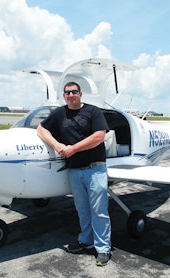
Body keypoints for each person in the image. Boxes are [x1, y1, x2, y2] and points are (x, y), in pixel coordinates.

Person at [37, 81, 112, 266]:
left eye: (74, 92)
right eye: (67, 93)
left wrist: (73, 149)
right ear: (64, 96)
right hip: (75, 171)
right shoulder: (59, 113)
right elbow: (41, 129)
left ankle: (103, 249)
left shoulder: (93, 112)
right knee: (83, 210)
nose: (71, 95)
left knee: (99, 211)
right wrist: (58, 145)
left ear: (80, 94)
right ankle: (86, 241)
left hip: (95, 169)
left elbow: (99, 136)